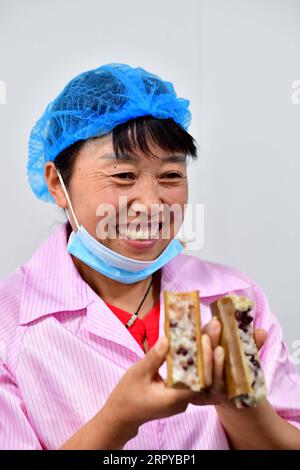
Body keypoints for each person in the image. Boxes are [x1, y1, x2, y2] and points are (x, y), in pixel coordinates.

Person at [0, 63, 300, 450]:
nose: (152, 204)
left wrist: (243, 407)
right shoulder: (9, 324)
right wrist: (117, 421)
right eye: (124, 176)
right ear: (58, 183)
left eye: (171, 176)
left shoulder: (235, 296)